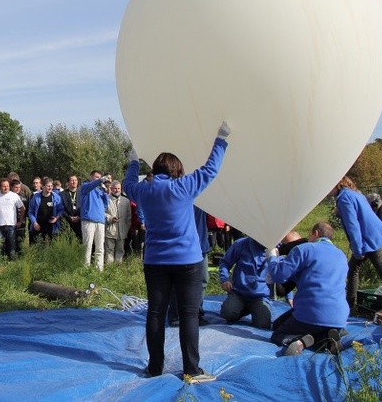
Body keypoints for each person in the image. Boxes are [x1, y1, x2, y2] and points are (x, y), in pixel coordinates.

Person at [123, 122, 230, 383]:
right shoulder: (184, 186)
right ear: (177, 170)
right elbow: (210, 169)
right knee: (188, 315)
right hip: (188, 261)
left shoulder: (143, 189)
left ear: (155, 169)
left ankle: (154, 367)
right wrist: (221, 139)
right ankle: (191, 370)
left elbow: (127, 184)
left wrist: (134, 161)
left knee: (156, 313)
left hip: (156, 261)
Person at [332, 176, 382, 309]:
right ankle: (350, 305)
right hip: (371, 238)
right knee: (353, 269)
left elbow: (353, 225)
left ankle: (349, 306)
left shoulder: (344, 198)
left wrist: (358, 250)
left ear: (337, 184)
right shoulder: (353, 193)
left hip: (368, 240)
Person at [268, 222, 348, 355]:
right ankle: (328, 337)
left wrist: (272, 258)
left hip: (312, 312)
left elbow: (278, 276)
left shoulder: (304, 249)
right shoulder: (341, 256)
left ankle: (303, 341)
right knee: (279, 323)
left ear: (315, 233)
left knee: (277, 334)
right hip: (339, 316)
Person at [218, 236, 271, 329]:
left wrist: (289, 296)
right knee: (227, 314)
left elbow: (283, 274)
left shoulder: (276, 250)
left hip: (260, 297)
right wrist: (224, 279)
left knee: (263, 324)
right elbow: (225, 262)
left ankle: (254, 309)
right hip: (239, 293)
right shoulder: (241, 244)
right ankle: (240, 308)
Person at [79, 170, 110, 271]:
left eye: (99, 177)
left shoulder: (100, 190)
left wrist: (105, 192)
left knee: (100, 247)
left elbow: (106, 204)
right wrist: (100, 180)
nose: (99, 179)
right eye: (96, 177)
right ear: (91, 177)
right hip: (89, 220)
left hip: (100, 221)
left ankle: (99, 269)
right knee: (87, 246)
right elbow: (90, 186)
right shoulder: (85, 186)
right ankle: (85, 269)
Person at [0, 178, 25, 260]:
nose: (6, 188)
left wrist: (20, 221)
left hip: (11, 225)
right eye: (4, 186)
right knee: (0, 246)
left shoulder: (14, 196)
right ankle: (0, 263)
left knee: (12, 245)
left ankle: (12, 263)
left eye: (7, 186)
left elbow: (22, 208)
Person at [27, 177, 64, 243]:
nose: (50, 187)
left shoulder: (56, 197)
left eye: (51, 186)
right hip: (38, 226)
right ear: (43, 186)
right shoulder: (36, 197)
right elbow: (30, 212)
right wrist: (34, 223)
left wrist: (56, 218)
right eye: (48, 186)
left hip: (52, 227)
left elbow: (61, 210)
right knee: (38, 247)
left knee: (51, 247)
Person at [104, 180, 132, 264]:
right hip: (110, 230)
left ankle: (118, 270)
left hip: (122, 231)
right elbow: (102, 213)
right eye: (115, 188)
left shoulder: (126, 201)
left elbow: (128, 217)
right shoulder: (106, 199)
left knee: (120, 251)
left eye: (118, 188)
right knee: (109, 251)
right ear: (111, 188)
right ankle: (109, 270)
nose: (117, 190)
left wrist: (126, 228)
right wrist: (110, 218)